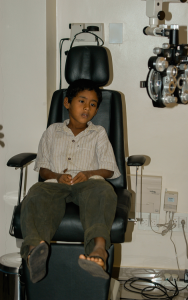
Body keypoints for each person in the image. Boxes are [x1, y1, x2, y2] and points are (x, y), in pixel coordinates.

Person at [20, 79, 120, 283]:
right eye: (82, 101)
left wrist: (89, 172)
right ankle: (33, 252)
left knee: (103, 191)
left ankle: (99, 250)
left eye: (93, 104)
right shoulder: (52, 132)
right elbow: (44, 168)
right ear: (66, 103)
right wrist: (57, 177)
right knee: (36, 192)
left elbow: (109, 169)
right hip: (57, 184)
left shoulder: (98, 133)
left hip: (89, 184)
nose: (87, 107)